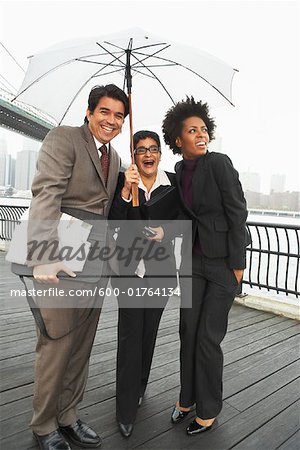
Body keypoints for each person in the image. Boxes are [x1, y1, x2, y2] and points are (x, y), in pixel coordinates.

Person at [26, 84, 129, 450]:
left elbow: (110, 211)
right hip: (61, 253)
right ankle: (43, 426)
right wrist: (42, 254)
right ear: (89, 112)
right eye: (105, 112)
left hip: (96, 259)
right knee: (57, 342)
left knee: (82, 344)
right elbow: (47, 194)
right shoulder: (64, 138)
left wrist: (127, 189)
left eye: (119, 116)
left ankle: (68, 415)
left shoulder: (115, 157)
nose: (111, 121)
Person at [162, 97, 249, 435]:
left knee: (208, 339)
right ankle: (187, 399)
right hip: (192, 264)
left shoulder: (219, 164)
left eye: (203, 129)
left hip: (223, 265)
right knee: (188, 332)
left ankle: (208, 409)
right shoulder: (180, 171)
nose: (200, 134)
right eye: (191, 130)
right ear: (177, 139)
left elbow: (237, 212)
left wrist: (237, 265)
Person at [109, 130, 178, 438]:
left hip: (161, 274)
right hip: (130, 273)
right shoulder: (125, 183)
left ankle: (139, 387)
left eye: (153, 149)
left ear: (160, 154)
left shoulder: (173, 185)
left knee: (148, 334)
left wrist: (167, 231)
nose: (148, 155)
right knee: (129, 337)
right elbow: (113, 224)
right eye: (141, 150)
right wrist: (126, 190)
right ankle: (125, 410)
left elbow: (189, 220)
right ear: (133, 155)